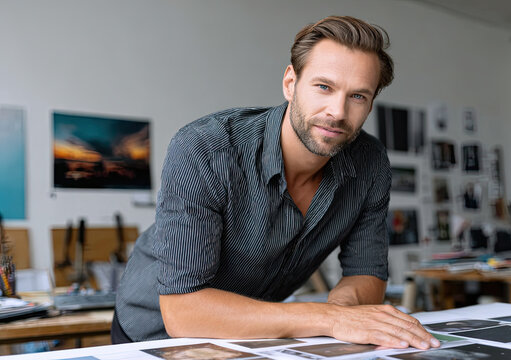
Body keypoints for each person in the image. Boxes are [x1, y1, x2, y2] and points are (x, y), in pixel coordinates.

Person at [113, 15, 439, 350]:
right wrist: (330, 320)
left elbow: (367, 273)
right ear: (290, 83)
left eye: (358, 96)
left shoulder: (370, 163)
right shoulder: (204, 149)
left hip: (257, 335)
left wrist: (344, 314)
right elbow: (183, 311)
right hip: (152, 334)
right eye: (324, 87)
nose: (337, 112)